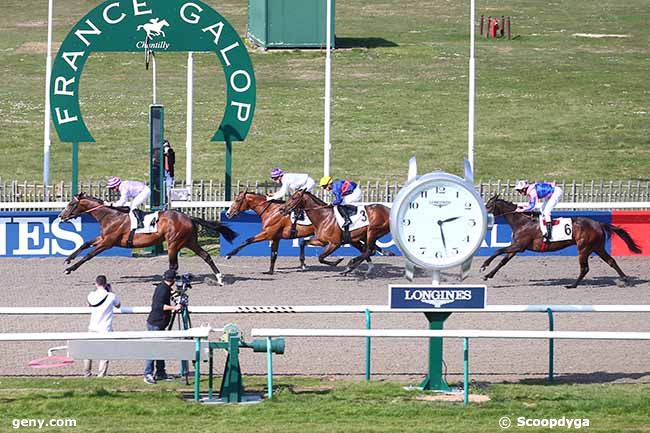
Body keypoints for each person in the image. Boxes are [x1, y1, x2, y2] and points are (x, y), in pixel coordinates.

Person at [144, 269, 181, 385]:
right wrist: (174, 308)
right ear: (173, 280)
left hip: (159, 323)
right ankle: (148, 373)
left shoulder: (164, 286)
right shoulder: (162, 289)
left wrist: (177, 295)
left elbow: (171, 293)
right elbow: (158, 306)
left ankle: (160, 372)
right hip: (156, 323)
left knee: (160, 348)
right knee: (153, 349)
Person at [85, 275, 120, 378]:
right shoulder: (111, 296)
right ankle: (101, 374)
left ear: (96, 284)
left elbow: (88, 304)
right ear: (105, 284)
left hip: (93, 327)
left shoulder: (91, 295)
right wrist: (110, 291)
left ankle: (87, 373)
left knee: (88, 351)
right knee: (105, 353)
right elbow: (118, 305)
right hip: (105, 328)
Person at [319, 176, 363, 242]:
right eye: (323, 187)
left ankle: (347, 220)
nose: (324, 188)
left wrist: (331, 204)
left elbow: (339, 200)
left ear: (329, 184)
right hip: (353, 191)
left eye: (324, 186)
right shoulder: (335, 186)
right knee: (341, 203)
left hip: (355, 192)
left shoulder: (335, 188)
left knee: (341, 204)